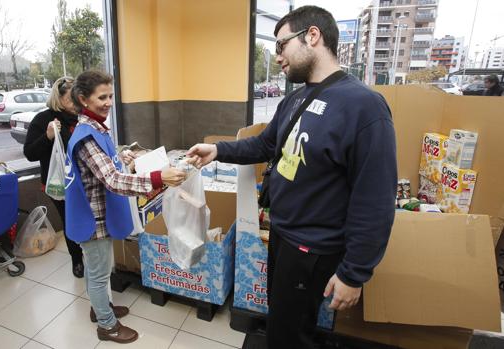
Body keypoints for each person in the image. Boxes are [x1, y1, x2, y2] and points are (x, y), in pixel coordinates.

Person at [187, 6, 397, 349]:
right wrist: (219, 150)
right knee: (283, 322)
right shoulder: (296, 98)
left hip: (313, 249)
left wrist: (354, 274)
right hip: (284, 236)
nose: (278, 56)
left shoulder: (364, 107)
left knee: (292, 334)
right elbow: (267, 144)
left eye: (281, 45)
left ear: (311, 36)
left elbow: (374, 201)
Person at [66, 70, 186, 344]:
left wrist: (120, 156)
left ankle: (101, 309)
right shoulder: (86, 136)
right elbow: (112, 180)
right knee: (97, 274)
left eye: (111, 96)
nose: (109, 102)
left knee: (100, 269)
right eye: (102, 97)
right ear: (84, 99)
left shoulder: (96, 129)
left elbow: (104, 165)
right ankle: (107, 327)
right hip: (92, 220)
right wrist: (158, 177)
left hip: (99, 215)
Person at [24, 77, 85, 278]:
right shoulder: (44, 120)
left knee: (86, 217)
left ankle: (90, 254)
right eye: (71, 100)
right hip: (59, 184)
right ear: (58, 99)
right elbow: (30, 153)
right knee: (70, 220)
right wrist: (48, 136)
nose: (76, 104)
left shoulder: (81, 118)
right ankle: (77, 260)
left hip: (83, 180)